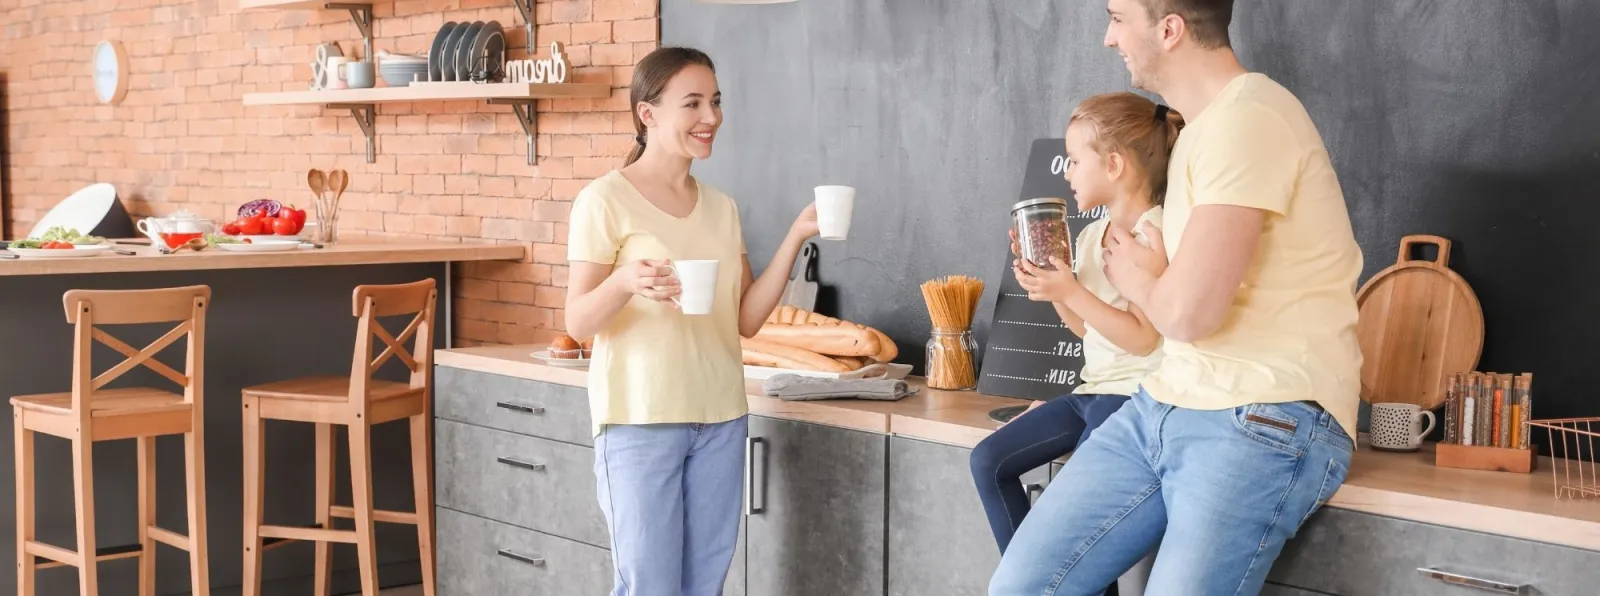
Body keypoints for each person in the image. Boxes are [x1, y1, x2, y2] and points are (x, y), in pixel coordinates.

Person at [989, 0, 1364, 594]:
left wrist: (1137, 277)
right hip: (1163, 402)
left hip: (1264, 412)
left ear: (1168, 30)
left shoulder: (1251, 119)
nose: (1109, 38)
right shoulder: (1201, 131)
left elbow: (1188, 314)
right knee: (1022, 586)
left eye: (1117, 17)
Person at [564, 46, 819, 596]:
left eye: (717, 102)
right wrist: (626, 280)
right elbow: (579, 320)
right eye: (694, 103)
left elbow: (746, 319)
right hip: (639, 420)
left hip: (721, 420)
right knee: (649, 587)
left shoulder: (721, 207)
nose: (712, 118)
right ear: (647, 113)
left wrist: (796, 235)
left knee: (704, 588)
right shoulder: (604, 200)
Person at [969, 91, 1180, 561]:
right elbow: (1089, 332)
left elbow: (1144, 339)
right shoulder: (1088, 236)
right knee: (988, 460)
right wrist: (1048, 287)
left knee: (1082, 520)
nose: (1066, 172)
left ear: (1114, 164)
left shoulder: (1154, 233)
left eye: (1074, 160)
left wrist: (1071, 292)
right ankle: (1032, 579)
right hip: (1092, 391)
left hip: (1134, 399)